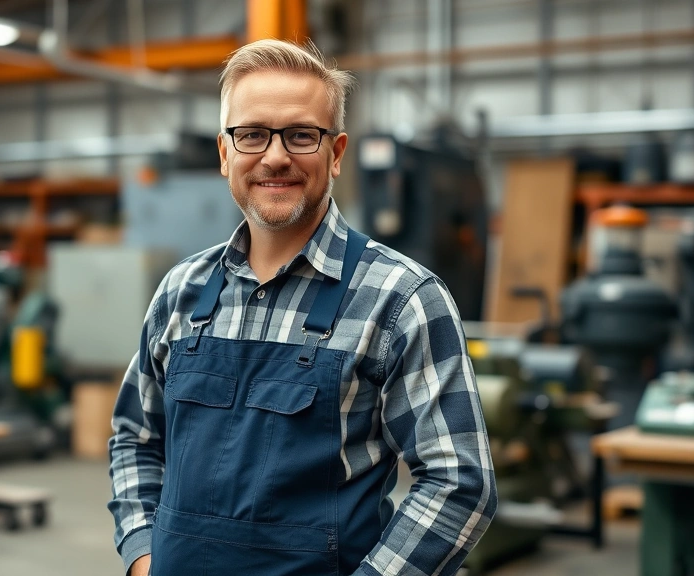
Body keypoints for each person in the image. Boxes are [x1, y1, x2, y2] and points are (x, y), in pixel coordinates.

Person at [108, 39, 496, 576]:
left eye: (300, 136)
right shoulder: (181, 292)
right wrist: (142, 554)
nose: (275, 156)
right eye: (251, 135)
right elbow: (135, 437)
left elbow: (459, 482)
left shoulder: (401, 299)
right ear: (225, 154)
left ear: (335, 153)